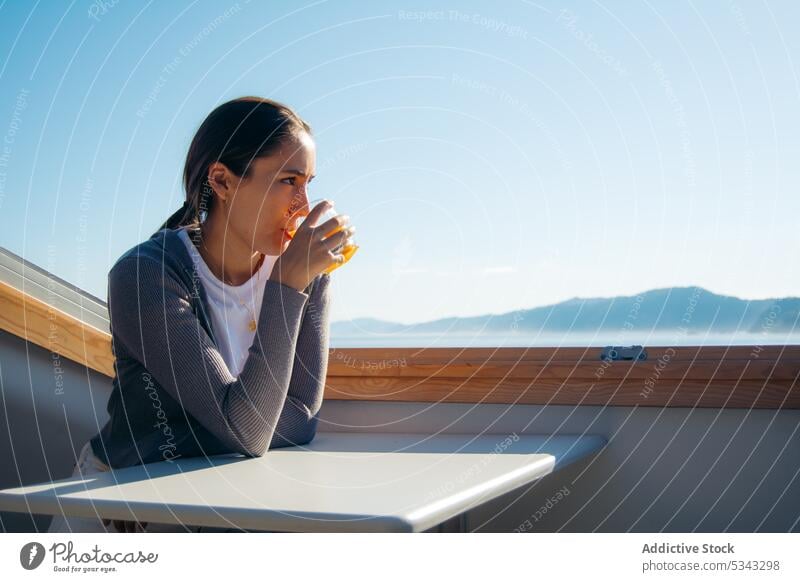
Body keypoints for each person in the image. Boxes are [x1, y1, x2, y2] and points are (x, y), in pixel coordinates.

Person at [47, 96, 354, 533]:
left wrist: (236, 423)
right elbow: (248, 434)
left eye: (309, 182)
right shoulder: (145, 275)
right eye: (289, 180)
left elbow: (301, 417)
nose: (304, 206)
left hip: (219, 503)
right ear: (223, 181)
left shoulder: (306, 272)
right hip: (121, 510)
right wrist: (286, 284)